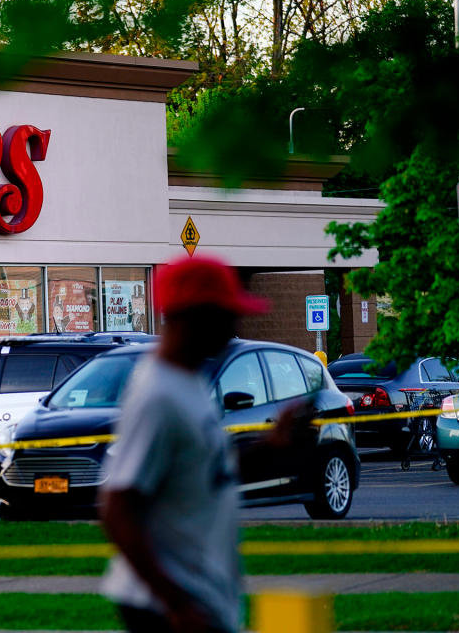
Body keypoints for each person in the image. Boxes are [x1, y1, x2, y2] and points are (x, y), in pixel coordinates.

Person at [98, 254, 312, 633]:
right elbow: (117, 508)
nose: (234, 326)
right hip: (168, 606)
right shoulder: (157, 396)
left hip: (200, 597)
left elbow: (209, 472)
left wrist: (272, 444)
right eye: (225, 315)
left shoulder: (189, 380)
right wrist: (177, 604)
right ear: (192, 317)